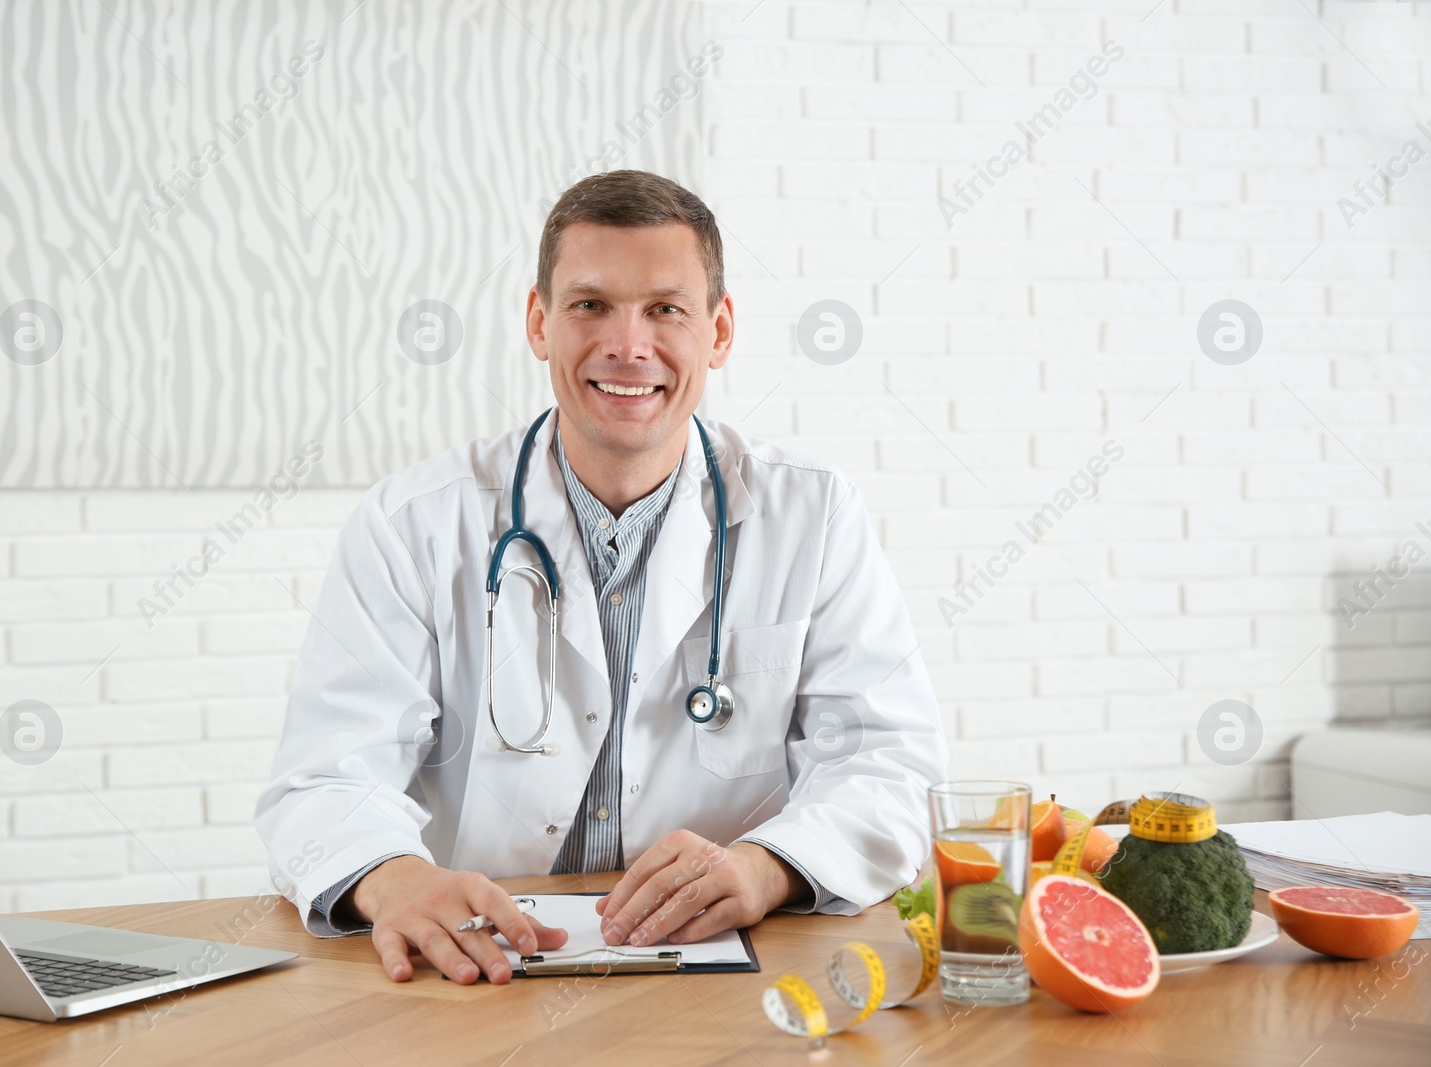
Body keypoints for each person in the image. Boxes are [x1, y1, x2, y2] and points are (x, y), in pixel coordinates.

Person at [254, 170, 947, 985]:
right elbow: (324, 773)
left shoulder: (813, 515)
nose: (628, 346)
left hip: (737, 981)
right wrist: (392, 875)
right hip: (477, 976)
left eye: (665, 308)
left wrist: (767, 866)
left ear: (719, 331)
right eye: (590, 305)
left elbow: (891, 767)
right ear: (538, 322)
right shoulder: (411, 523)